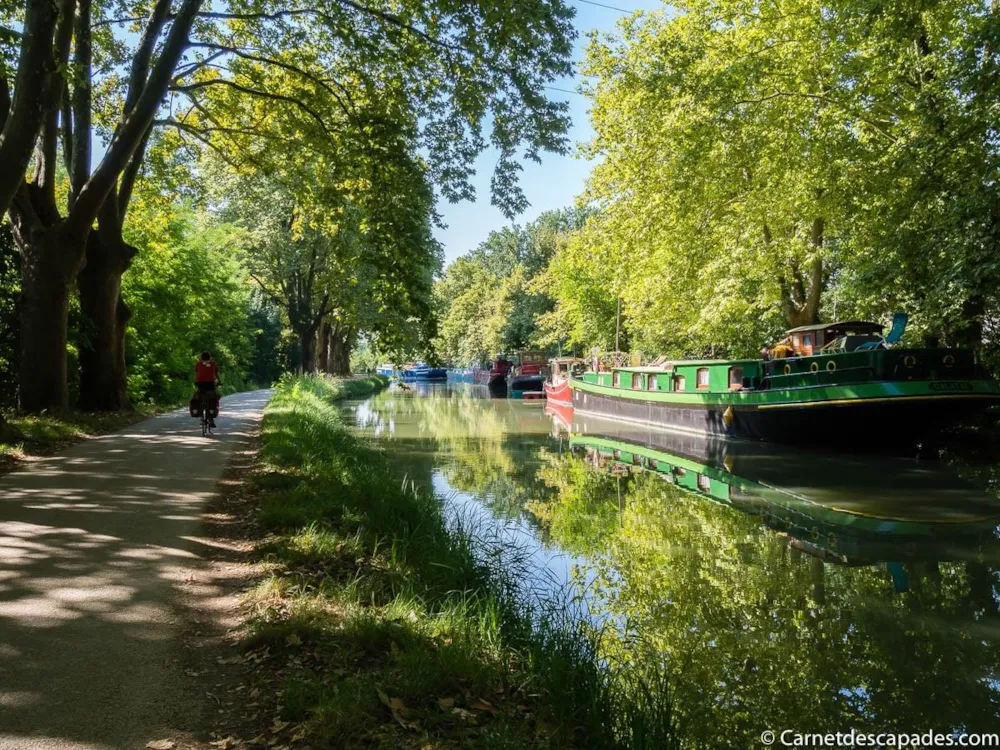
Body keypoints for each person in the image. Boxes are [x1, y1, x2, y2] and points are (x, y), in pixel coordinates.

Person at [195, 351, 222, 427]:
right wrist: (219, 382)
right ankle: (211, 418)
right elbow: (216, 374)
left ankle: (201, 417)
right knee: (213, 398)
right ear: (209, 357)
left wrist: (196, 381)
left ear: (201, 357)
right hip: (210, 383)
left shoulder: (198, 363)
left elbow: (197, 373)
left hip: (200, 383)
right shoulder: (213, 363)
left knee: (200, 397)